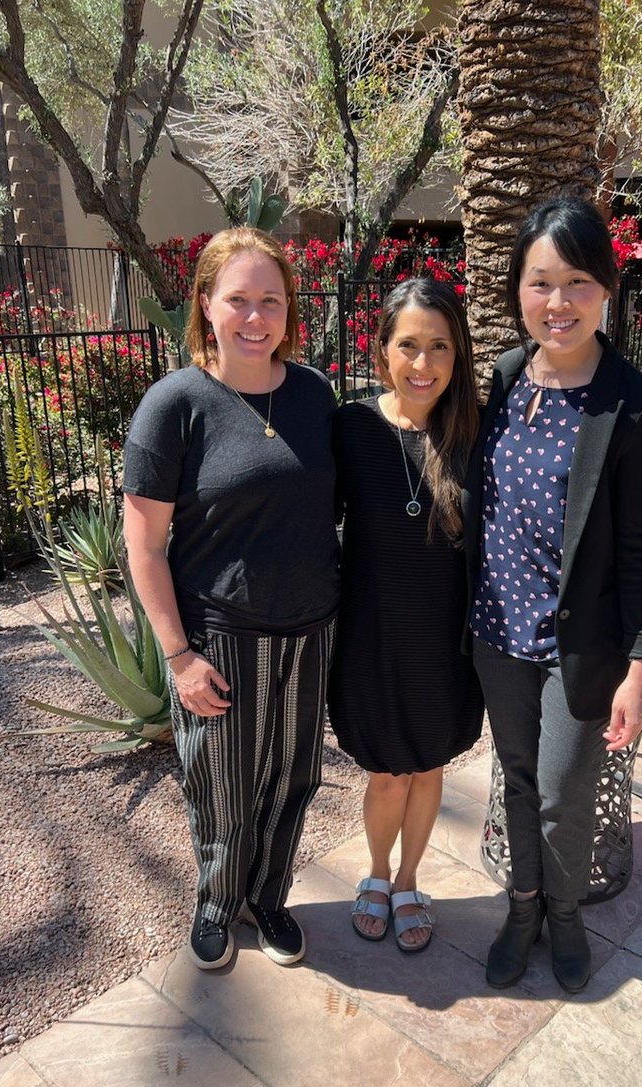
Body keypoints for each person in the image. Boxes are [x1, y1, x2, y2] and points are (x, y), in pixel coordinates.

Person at [462, 197, 642, 992]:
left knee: (562, 791)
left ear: (607, 288)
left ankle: (565, 913)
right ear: (518, 289)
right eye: (540, 282)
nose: (558, 303)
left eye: (577, 281)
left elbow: (640, 545)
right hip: (496, 631)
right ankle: (523, 910)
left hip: (581, 646)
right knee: (515, 777)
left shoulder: (635, 406)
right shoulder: (507, 379)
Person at [122, 227, 340, 971]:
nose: (256, 317)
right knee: (221, 787)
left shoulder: (314, 393)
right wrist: (179, 657)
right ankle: (217, 903)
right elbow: (144, 547)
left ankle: (269, 898)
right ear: (206, 305)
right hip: (219, 639)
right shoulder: (175, 403)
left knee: (293, 780)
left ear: (288, 310)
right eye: (238, 299)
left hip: (310, 631)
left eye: (270, 300)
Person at [329, 277, 484, 953]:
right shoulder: (350, 427)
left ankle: (411, 880)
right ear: (382, 350)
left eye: (440, 347)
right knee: (386, 771)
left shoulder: (474, 433)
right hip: (372, 639)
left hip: (444, 643)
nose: (424, 364)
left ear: (459, 354)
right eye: (409, 346)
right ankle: (377, 872)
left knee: (426, 768)